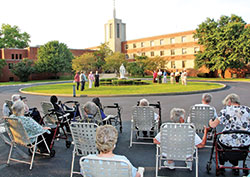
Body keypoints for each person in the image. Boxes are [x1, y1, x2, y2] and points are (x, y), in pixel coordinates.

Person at [209, 93, 250, 175]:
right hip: (244, 141)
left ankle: (221, 165)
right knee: (238, 144)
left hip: (228, 140)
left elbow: (213, 125)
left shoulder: (226, 110)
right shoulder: (247, 109)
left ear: (230, 101)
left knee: (221, 143)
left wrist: (210, 122)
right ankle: (236, 166)